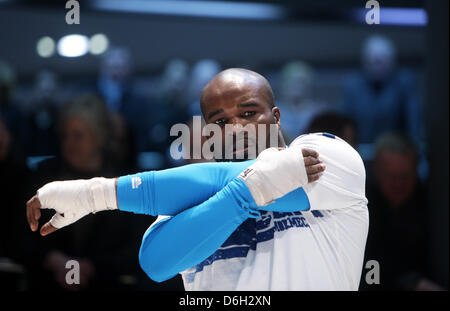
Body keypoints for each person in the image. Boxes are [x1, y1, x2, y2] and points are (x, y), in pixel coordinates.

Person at [26, 69, 369, 291]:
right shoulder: (185, 196)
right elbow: (156, 264)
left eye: (248, 113)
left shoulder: (328, 153)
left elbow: (220, 177)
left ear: (275, 116)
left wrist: (92, 195)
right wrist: (247, 193)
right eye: (220, 122)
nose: (235, 128)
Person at [362, 132, 445, 291]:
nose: (398, 184)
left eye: (405, 176)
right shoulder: (362, 207)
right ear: (376, 171)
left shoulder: (430, 205)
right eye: (392, 176)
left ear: (416, 171)